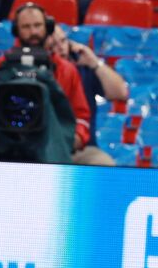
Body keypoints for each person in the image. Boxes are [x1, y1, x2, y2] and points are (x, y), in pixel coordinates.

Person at [0, 3, 92, 158]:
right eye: (26, 27)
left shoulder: (66, 70)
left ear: (48, 27)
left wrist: (71, 140)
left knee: (101, 161)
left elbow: (81, 116)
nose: (33, 32)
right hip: (3, 148)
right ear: (16, 30)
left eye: (38, 25)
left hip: (56, 148)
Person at [46, 20, 128, 166]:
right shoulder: (38, 73)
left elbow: (121, 92)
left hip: (82, 149)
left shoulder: (83, 68)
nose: (61, 48)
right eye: (53, 45)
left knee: (104, 164)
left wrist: (94, 62)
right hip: (44, 148)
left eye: (63, 41)